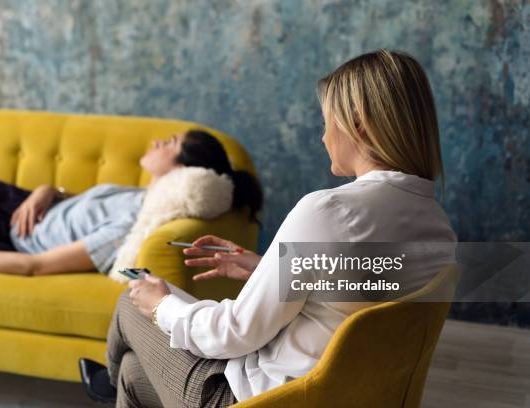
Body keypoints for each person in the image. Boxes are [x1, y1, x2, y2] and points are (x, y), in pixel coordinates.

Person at [79, 49, 458, 407]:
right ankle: (113, 383)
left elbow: (234, 332)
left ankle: (106, 383)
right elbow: (360, 288)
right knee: (133, 373)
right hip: (341, 395)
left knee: (132, 301)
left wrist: (160, 304)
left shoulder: (328, 211)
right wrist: (269, 268)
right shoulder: (437, 227)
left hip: (259, 400)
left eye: (325, 122)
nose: (323, 137)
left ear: (356, 122)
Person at [0, 130, 262, 276]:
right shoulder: (139, 198)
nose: (157, 141)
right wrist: (48, 190)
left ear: (184, 167)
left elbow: (35, 266)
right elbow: (79, 206)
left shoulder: (130, 230)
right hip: (15, 203)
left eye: (169, 143)